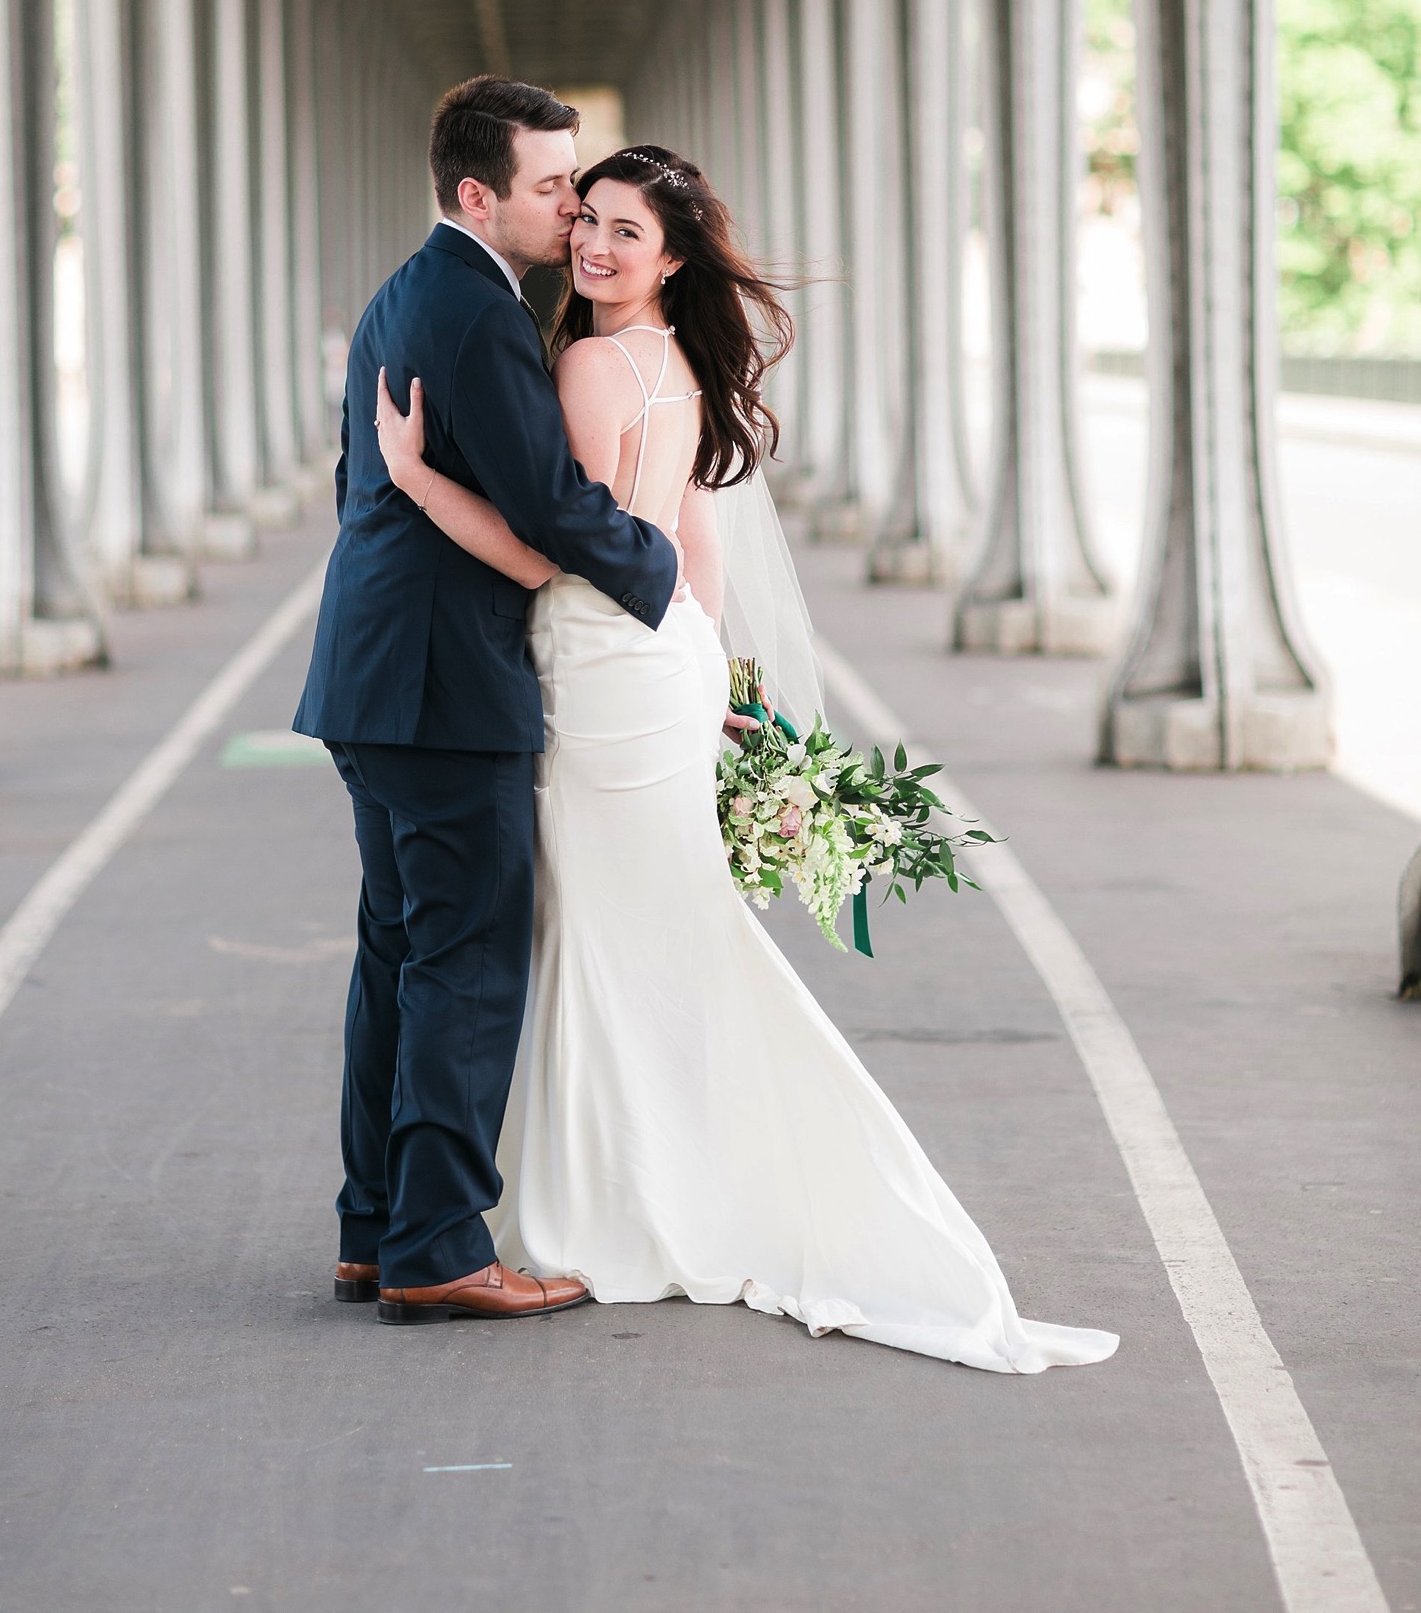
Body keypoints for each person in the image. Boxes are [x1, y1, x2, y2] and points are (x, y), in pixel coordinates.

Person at [374, 144, 1118, 1370]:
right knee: (659, 936)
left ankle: (618, 1207)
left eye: (624, 232)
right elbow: (692, 542)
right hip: (664, 669)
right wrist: (714, 679)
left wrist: (410, 475)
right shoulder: (675, 366)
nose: (595, 245)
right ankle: (669, 1186)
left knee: (601, 945)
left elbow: (548, 554)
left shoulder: (587, 363)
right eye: (589, 222)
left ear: (671, 260)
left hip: (604, 678)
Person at [293, 78, 678, 1324]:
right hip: (444, 686)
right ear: (479, 195)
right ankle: (441, 1247)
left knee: (399, 953)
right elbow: (550, 507)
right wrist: (658, 580)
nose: (573, 209)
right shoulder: (478, 315)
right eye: (554, 186)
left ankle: (377, 1228)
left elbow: (371, 481)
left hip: (374, 676)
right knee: (465, 960)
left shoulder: (406, 293)